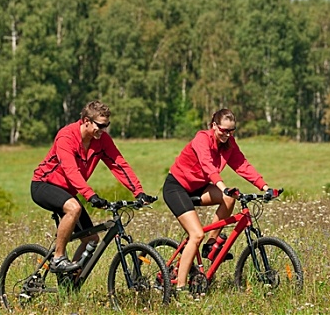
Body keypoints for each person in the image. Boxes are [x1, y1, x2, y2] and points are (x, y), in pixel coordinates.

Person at [162, 108, 279, 292]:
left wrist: (265, 187)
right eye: (224, 130)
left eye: (231, 131)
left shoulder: (229, 143)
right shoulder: (202, 138)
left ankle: (210, 246)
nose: (227, 134)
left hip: (199, 187)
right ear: (214, 126)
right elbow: (208, 166)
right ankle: (180, 289)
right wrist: (223, 186)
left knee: (229, 199)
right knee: (196, 234)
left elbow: (242, 165)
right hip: (176, 187)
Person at [31, 100, 150, 273]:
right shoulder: (66, 136)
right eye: (101, 125)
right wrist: (90, 195)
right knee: (73, 208)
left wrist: (139, 192)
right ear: (86, 121)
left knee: (91, 239)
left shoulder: (101, 140)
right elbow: (70, 171)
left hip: (67, 191)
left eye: (107, 125)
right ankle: (58, 258)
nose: (104, 130)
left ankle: (70, 282)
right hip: (44, 185)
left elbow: (119, 164)